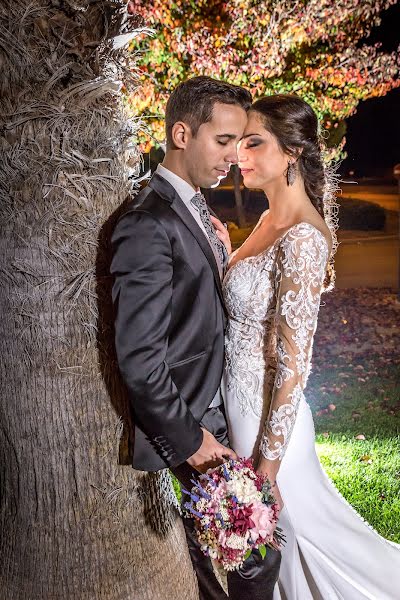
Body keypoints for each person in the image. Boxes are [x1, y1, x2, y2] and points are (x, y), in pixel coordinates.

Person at [222, 93, 400, 599]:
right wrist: (221, 250)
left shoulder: (302, 238)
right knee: (276, 547)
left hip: (268, 424)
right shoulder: (266, 220)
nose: (241, 156)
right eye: (238, 143)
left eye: (254, 143)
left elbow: (295, 362)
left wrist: (268, 466)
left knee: (298, 541)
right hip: (239, 405)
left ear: (293, 151)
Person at [110, 76, 281, 600]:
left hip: (223, 405)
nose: (234, 154)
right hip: (192, 424)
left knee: (232, 557)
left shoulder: (194, 208)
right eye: (223, 140)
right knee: (256, 554)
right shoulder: (146, 223)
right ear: (182, 134)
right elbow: (139, 360)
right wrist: (192, 441)